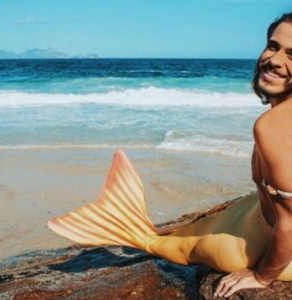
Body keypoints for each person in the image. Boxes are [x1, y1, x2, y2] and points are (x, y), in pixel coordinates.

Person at [48, 12, 292, 298]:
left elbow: (289, 223)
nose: (275, 60)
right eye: (273, 46)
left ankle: (127, 227)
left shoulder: (273, 125)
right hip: (257, 216)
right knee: (194, 227)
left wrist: (261, 276)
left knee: (171, 245)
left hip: (270, 241)